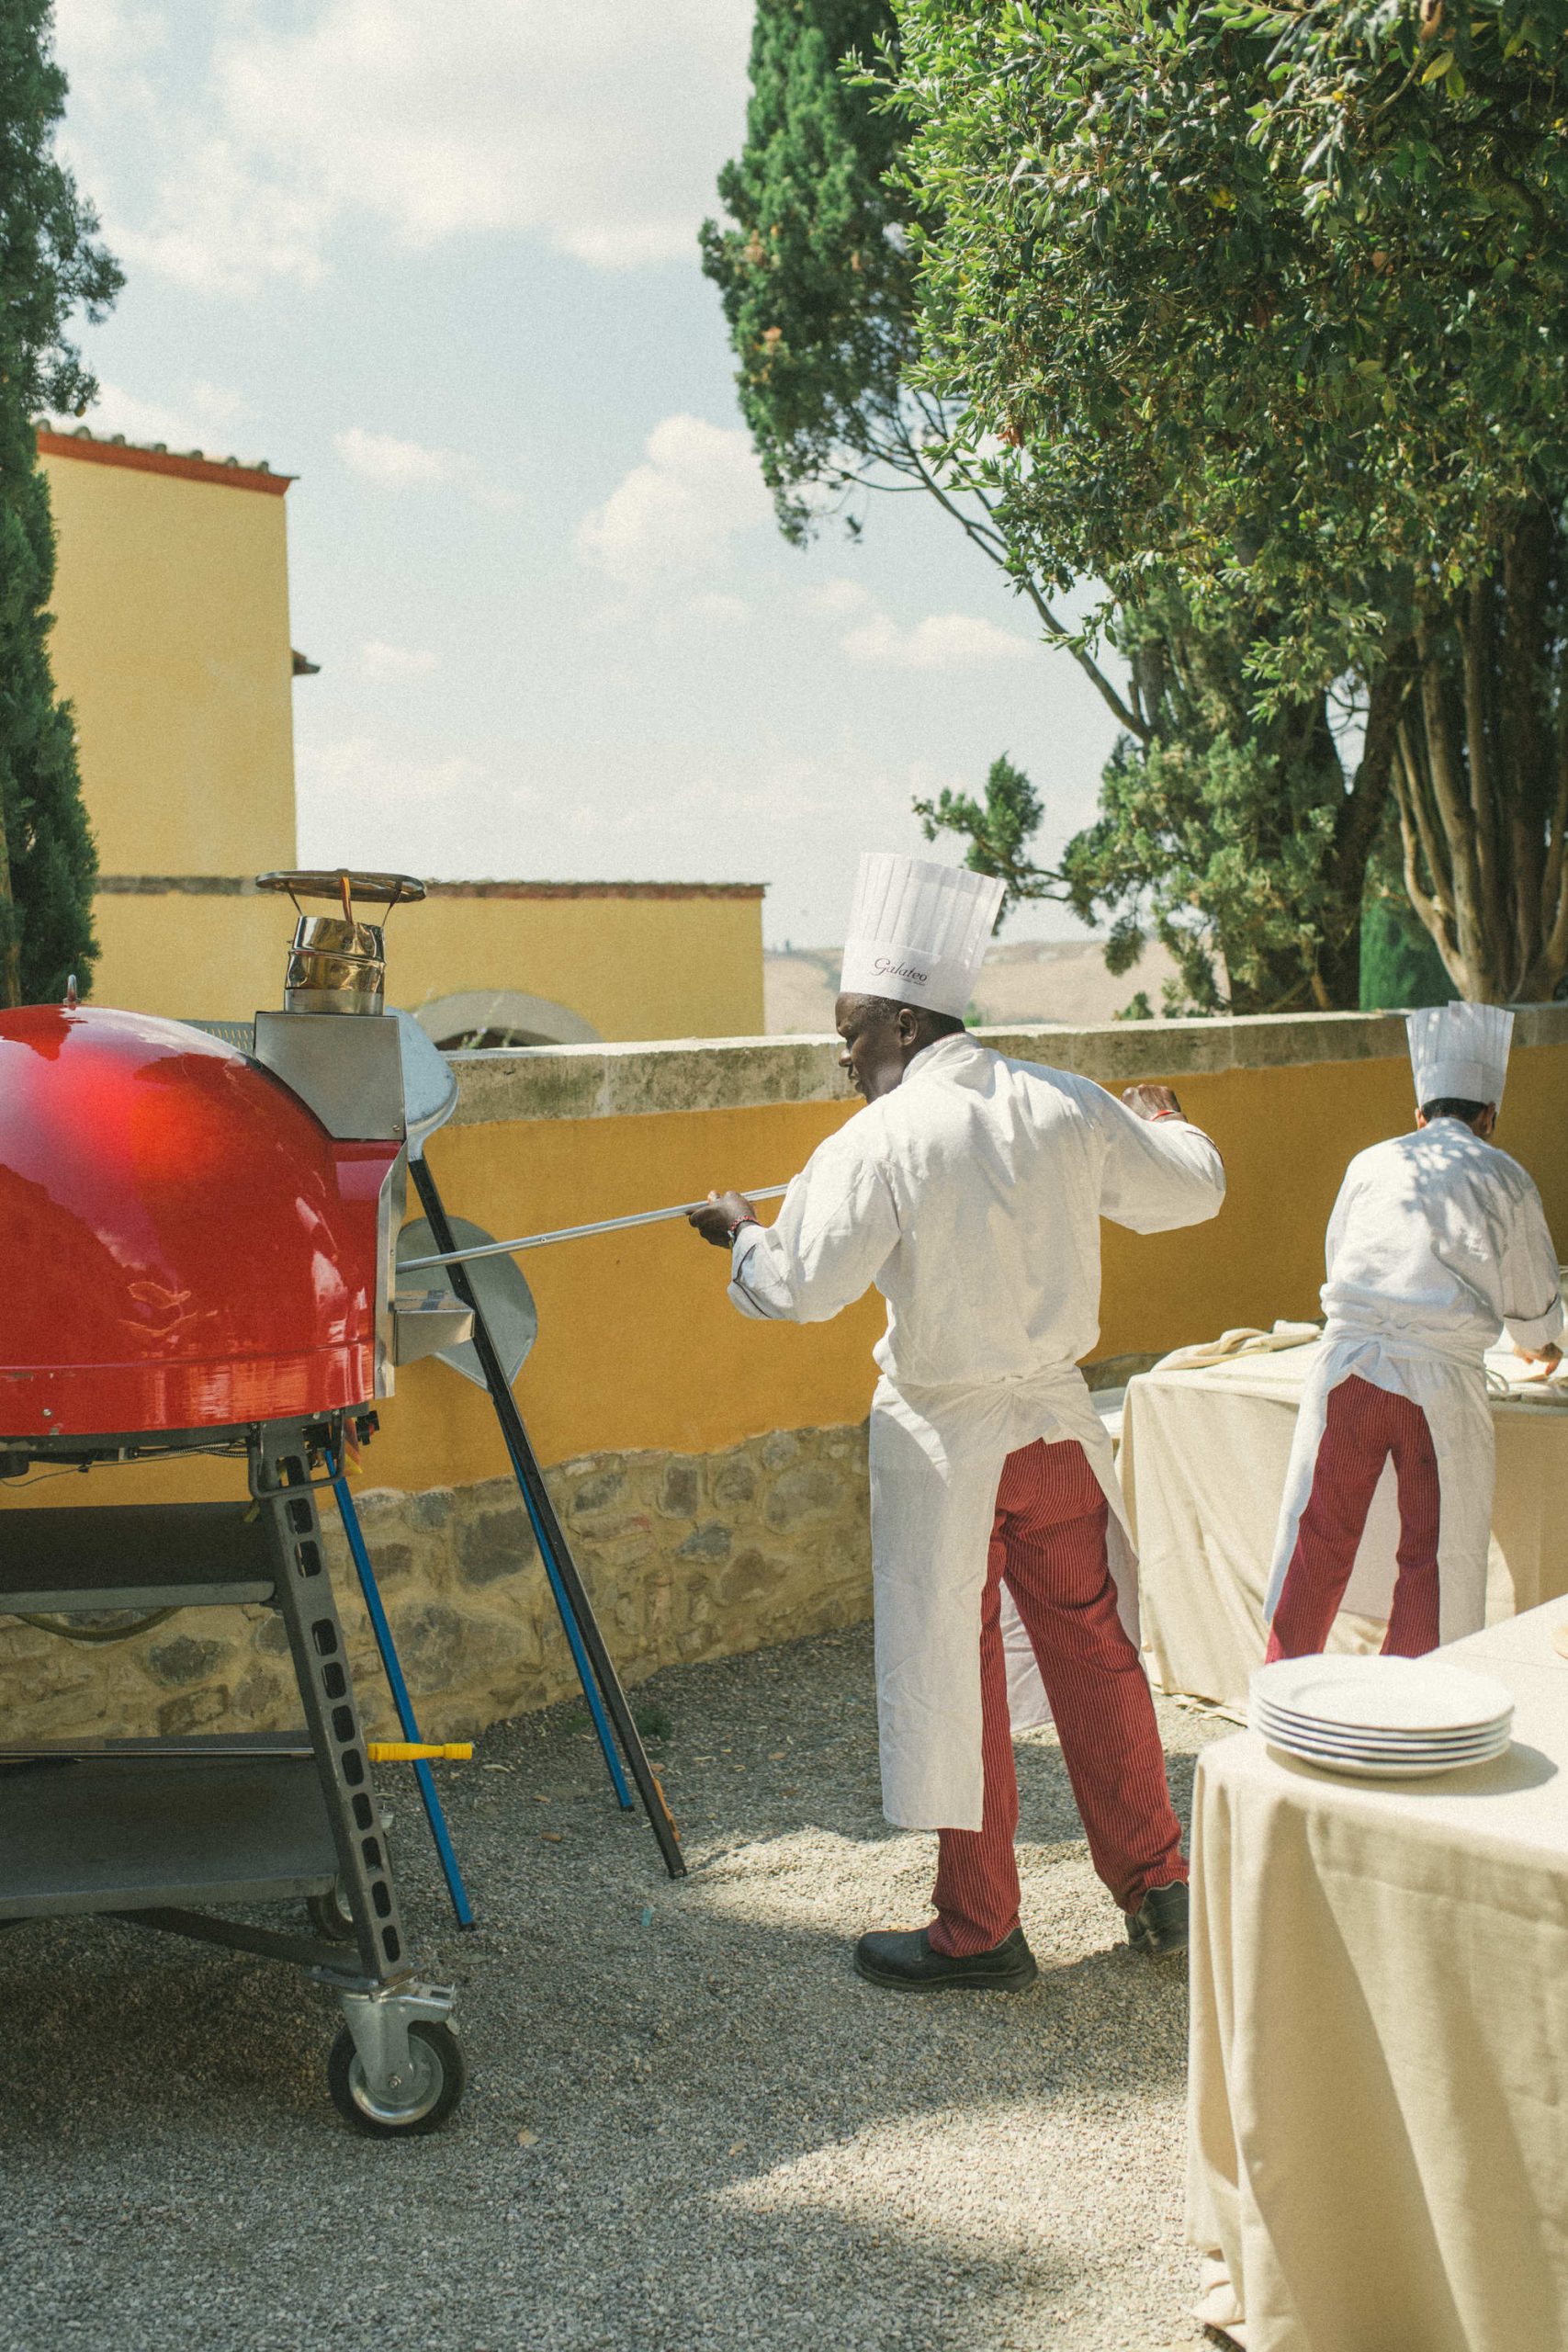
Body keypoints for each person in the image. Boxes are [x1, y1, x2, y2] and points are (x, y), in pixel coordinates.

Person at [688, 852, 1225, 1993]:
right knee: (1095, 1652)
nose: (842, 1056)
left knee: (957, 1672)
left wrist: (739, 1232)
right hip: (1053, 1435)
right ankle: (1161, 1884)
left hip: (947, 1447)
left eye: (849, 1033)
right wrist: (1170, 1122)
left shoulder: (875, 1140)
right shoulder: (1064, 1101)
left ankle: (980, 1927)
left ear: (900, 1020)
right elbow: (1190, 1189)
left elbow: (801, 1287)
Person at [1264, 1002, 1563, 1663]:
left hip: (1348, 1368)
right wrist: (1539, 1338)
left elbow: (1340, 1257)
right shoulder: (1504, 1175)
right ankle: (1413, 1697)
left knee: (1320, 1537)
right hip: (1437, 1385)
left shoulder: (1369, 1162)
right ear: (1489, 1118)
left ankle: (1281, 1684)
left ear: (1418, 1115)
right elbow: (1533, 1293)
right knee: (1434, 1557)